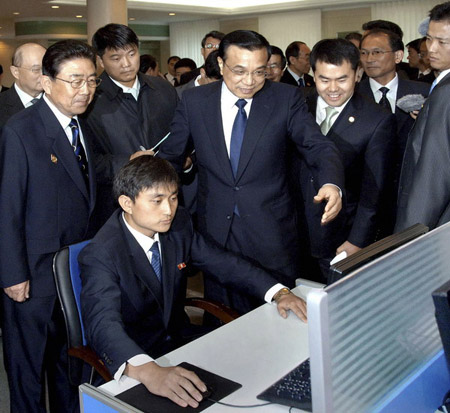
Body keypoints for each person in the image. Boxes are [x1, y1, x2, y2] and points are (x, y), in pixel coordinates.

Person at [80, 155, 307, 408]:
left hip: (181, 343)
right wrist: (148, 371)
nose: (169, 210)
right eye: (157, 201)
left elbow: (225, 264)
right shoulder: (101, 253)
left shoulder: (178, 225)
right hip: (137, 359)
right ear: (127, 203)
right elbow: (102, 323)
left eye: (174, 198)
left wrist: (279, 292)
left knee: (260, 376)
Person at [158, 30, 344, 315]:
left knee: (282, 314)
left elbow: (318, 146)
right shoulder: (195, 101)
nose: (249, 81)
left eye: (259, 72)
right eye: (239, 71)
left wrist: (331, 182)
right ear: (220, 64)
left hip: (273, 232)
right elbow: (170, 158)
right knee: (222, 318)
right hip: (217, 233)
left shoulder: (286, 98)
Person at [0, 39, 98, 413]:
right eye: (74, 81)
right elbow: (7, 208)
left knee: (67, 363)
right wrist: (12, 274)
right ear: (46, 81)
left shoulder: (79, 124)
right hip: (32, 274)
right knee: (27, 370)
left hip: (70, 272)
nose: (85, 90)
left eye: (91, 80)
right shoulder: (20, 130)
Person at [297, 38, 396, 281]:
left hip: (340, 236)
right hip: (293, 231)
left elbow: (375, 190)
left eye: (342, 79)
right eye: (324, 79)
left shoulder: (376, 120)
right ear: (313, 74)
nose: (333, 88)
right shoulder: (297, 106)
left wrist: (357, 241)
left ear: (358, 74)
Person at [82, 23, 178, 229]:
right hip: (115, 207)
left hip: (165, 203)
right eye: (115, 58)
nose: (126, 63)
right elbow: (87, 162)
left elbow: (178, 137)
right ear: (100, 60)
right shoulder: (89, 100)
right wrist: (128, 162)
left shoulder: (163, 89)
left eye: (131, 54)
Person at [357, 28, 429, 236]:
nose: (369, 59)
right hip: (366, 200)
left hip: (410, 194)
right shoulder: (353, 97)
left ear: (398, 56)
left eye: (377, 52)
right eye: (364, 53)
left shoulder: (424, 92)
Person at [396, 1, 450, 231]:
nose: (432, 48)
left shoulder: (446, 91)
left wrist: (408, 238)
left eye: (443, 42)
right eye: (429, 39)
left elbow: (433, 177)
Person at [0, 43, 46, 129]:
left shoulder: (59, 102)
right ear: (15, 72)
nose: (43, 75)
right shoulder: (2, 105)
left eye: (46, 69)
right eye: (36, 70)